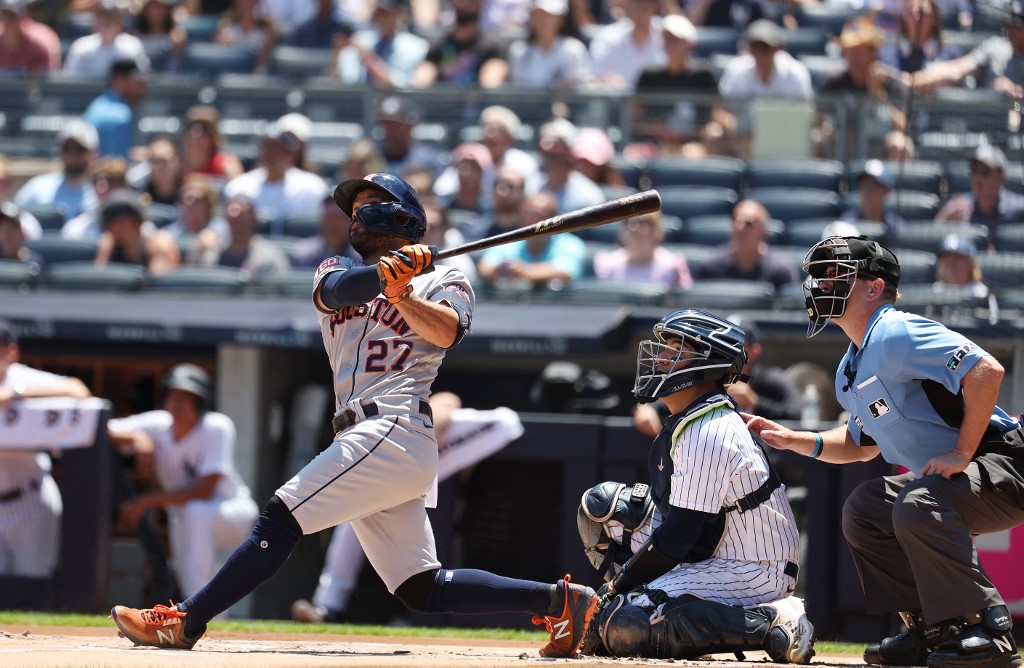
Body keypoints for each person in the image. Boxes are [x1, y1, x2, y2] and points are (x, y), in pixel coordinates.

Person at [110, 172, 599, 659]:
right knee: (421, 588)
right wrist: (390, 275)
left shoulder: (445, 278)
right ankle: (561, 602)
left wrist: (406, 293)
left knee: (281, 516)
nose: (354, 216)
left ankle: (185, 622)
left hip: (394, 425)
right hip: (367, 436)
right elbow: (337, 293)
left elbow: (448, 332)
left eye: (367, 204)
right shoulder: (335, 267)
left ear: (399, 215)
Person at [748, 234, 1024, 668]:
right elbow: (859, 447)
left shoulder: (895, 330)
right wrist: (792, 438)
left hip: (1006, 462)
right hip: (965, 477)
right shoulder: (849, 366)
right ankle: (933, 630)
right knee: (865, 509)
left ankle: (986, 630)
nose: (821, 284)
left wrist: (960, 453)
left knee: (917, 502)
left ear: (874, 288)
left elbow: (986, 371)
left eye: (836, 275)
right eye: (819, 276)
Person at [575, 309, 813, 662]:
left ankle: (774, 621)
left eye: (677, 349)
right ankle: (662, 609)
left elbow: (678, 537)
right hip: (714, 547)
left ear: (707, 363)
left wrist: (616, 588)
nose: (663, 357)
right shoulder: (691, 417)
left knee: (625, 623)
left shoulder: (710, 429)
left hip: (754, 566)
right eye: (666, 347)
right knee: (603, 509)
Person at [291, 391, 525, 623]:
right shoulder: (378, 427)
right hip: (412, 464)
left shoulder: (422, 406)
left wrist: (425, 440)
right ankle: (329, 606)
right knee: (357, 518)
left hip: (485, 437)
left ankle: (332, 604)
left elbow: (449, 400)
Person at [107, 364, 260, 601]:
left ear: (201, 402)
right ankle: (205, 619)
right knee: (189, 572)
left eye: (187, 398)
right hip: (184, 516)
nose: (177, 403)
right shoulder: (158, 425)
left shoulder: (216, 426)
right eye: (173, 395)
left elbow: (205, 491)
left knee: (195, 512)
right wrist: (137, 437)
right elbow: (102, 428)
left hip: (232, 513)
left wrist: (147, 500)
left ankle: (199, 609)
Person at [0, 320, 93, 577]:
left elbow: (79, 390)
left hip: (30, 498)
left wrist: (16, 394)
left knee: (32, 582)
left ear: (12, 352)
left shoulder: (22, 378)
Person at [221, 113, 328, 231]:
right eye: (267, 148)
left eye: (278, 150)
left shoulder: (313, 188)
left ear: (291, 154)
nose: (271, 155)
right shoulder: (239, 188)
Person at [476, 190, 587, 288]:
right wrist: (503, 270)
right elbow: (484, 268)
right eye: (530, 215)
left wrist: (524, 271)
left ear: (554, 220)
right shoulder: (510, 242)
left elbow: (565, 272)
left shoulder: (570, 244)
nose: (535, 222)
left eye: (541, 216)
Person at [690, 199, 802, 290]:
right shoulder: (710, 266)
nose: (739, 226)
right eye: (735, 219)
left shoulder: (781, 270)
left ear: (764, 231)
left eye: (749, 222)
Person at [934, 143, 1024, 249]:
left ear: (1001, 176)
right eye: (974, 171)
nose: (977, 179)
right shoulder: (957, 207)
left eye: (985, 173)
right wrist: (943, 221)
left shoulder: (1019, 209)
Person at [15, 119, 99, 224]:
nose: (73, 157)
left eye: (79, 150)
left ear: (94, 152)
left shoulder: (102, 193)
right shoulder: (37, 189)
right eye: (67, 150)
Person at [332, 0, 428, 88]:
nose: (381, 18)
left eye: (386, 13)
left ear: (398, 14)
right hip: (359, 104)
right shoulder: (361, 39)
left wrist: (370, 60)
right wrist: (338, 53)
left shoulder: (414, 46)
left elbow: (396, 85)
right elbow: (340, 79)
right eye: (379, 13)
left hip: (396, 104)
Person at [413, 0, 508, 88]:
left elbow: (491, 84)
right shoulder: (439, 44)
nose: (463, 4)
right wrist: (422, 79)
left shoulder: (493, 46)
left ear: (480, 3)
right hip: (443, 104)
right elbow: (422, 81)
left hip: (477, 104)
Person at [188, 194, 289, 275]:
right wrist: (199, 249)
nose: (236, 217)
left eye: (243, 214)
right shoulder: (210, 255)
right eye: (232, 212)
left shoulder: (269, 256)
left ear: (254, 218)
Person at [592, 210, 692, 290]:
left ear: (655, 228)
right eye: (627, 221)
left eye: (641, 222)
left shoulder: (672, 266)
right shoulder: (608, 264)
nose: (633, 227)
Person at [504, 0, 593, 89]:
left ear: (560, 20)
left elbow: (575, 90)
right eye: (537, 15)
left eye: (548, 16)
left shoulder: (574, 50)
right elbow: (517, 91)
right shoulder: (518, 51)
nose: (542, 20)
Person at [93, 188, 180, 275]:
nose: (110, 228)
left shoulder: (160, 243)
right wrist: (105, 252)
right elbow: (99, 280)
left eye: (120, 221)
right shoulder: (110, 243)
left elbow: (157, 284)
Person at [586, 0, 665, 89]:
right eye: (636, 3)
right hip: (616, 101)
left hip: (658, 101)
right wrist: (606, 82)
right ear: (628, 4)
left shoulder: (668, 36)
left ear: (656, 6)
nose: (641, 7)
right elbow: (592, 78)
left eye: (647, 2)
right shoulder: (608, 37)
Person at [534, 118, 605, 214]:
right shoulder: (531, 187)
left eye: (556, 144)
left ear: (569, 149)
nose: (548, 149)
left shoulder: (588, 196)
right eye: (544, 142)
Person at [62, 0, 150, 77]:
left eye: (111, 18)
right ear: (95, 22)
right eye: (102, 18)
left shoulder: (132, 46)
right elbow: (71, 79)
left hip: (123, 95)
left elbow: (141, 78)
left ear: (120, 22)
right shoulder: (81, 46)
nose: (106, 23)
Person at [82, 58, 147, 160]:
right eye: (137, 83)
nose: (142, 89)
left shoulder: (97, 105)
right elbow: (120, 165)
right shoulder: (120, 116)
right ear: (118, 79)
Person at [373, 96, 448, 180]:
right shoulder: (372, 157)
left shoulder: (429, 160)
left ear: (411, 126)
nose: (390, 131)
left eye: (396, 126)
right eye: (386, 125)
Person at [289, 192, 360, 268]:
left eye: (339, 217)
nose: (333, 223)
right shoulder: (304, 255)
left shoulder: (362, 255)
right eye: (330, 218)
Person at [840, 159, 906, 235]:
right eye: (864, 185)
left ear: (886, 191)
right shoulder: (847, 223)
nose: (867, 192)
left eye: (873, 186)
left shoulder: (896, 227)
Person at [214, 0, 277, 74]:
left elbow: (264, 62)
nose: (247, 1)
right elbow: (219, 58)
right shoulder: (225, 25)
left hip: (256, 76)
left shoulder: (268, 28)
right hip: (230, 74)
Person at [131, 0, 186, 71]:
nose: (154, 12)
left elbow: (175, 65)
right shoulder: (134, 36)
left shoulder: (176, 36)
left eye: (158, 7)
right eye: (150, 7)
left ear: (166, 9)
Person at [0, 0, 52, 73]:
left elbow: (40, 82)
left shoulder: (37, 50)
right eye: (4, 15)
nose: (7, 21)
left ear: (24, 17)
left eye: (12, 16)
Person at [0, 201, 43, 267]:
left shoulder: (34, 263)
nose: (6, 236)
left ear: (22, 233)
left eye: (11, 230)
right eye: (2, 230)